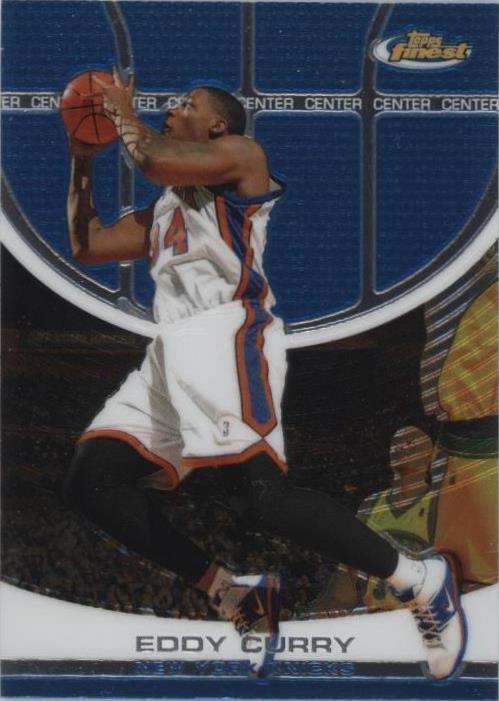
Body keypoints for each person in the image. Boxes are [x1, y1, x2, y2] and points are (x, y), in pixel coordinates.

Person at [63, 69, 467, 680]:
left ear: (216, 126)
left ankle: (418, 578)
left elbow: (151, 158)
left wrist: (119, 109)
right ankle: (234, 594)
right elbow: (87, 244)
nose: (172, 109)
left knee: (262, 499)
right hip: (169, 347)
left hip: (225, 333)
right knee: (91, 482)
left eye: (187, 104)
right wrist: (81, 160)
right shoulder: (167, 207)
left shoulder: (242, 156)